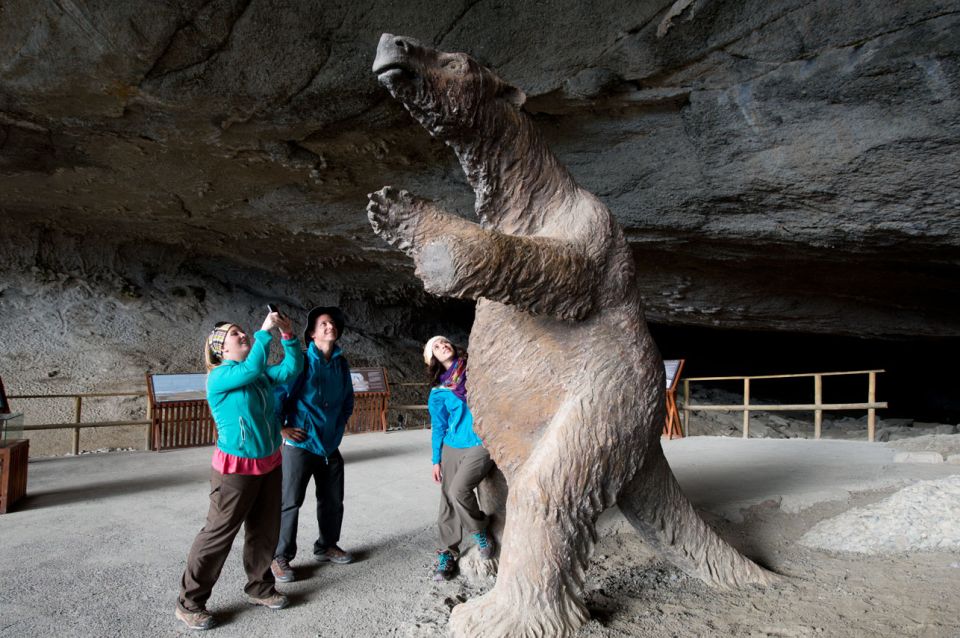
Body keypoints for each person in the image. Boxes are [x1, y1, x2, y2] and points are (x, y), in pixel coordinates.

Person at [176, 311, 303, 631]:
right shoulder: (219, 376)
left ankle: (259, 588)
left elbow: (291, 369)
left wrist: (288, 336)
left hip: (269, 463)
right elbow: (252, 368)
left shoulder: (256, 374)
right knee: (218, 534)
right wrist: (264, 332)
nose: (243, 335)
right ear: (221, 348)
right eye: (235, 334)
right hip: (235, 469)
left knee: (264, 529)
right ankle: (190, 602)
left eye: (242, 331)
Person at [271, 306, 356, 583]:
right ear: (311, 333)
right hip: (301, 443)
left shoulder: (341, 363)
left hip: (329, 444)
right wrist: (280, 428)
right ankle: (280, 556)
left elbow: (347, 400)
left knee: (332, 499)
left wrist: (338, 426)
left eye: (332, 323)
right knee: (290, 501)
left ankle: (326, 546)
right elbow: (278, 395)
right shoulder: (303, 361)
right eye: (323, 324)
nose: (329, 326)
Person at [424, 335, 495, 582]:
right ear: (432, 358)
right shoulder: (439, 392)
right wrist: (436, 460)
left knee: (458, 491)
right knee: (447, 500)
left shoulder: (475, 368)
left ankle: (480, 529)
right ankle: (447, 553)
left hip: (481, 442)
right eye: (436, 346)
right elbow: (438, 427)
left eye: (445, 342)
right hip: (452, 446)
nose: (443, 346)